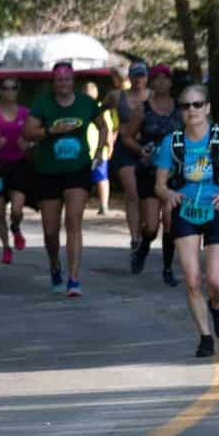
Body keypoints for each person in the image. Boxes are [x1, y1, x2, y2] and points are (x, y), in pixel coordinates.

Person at [155, 85, 219, 357]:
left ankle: (217, 307)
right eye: (186, 106)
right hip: (186, 211)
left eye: (197, 104)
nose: (192, 110)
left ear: (207, 107)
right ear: (180, 111)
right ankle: (205, 336)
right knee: (193, 279)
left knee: (215, 281)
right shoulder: (172, 143)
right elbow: (159, 185)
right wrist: (169, 194)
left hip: (217, 210)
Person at [24, 61, 107, 296]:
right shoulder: (42, 103)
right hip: (47, 170)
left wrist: (99, 152)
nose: (63, 83)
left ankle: (73, 279)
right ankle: (54, 265)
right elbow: (28, 132)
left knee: (73, 221)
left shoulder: (86, 103)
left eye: (67, 79)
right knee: (50, 231)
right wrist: (50, 131)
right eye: (59, 79)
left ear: (73, 81)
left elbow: (102, 126)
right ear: (53, 82)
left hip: (77, 169)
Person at [125, 64, 182, 286]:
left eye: (164, 78)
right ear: (151, 82)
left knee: (170, 221)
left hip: (174, 173)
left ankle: (167, 269)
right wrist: (141, 150)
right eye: (156, 78)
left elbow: (194, 133)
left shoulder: (180, 108)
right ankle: (144, 246)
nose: (160, 82)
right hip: (149, 171)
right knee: (150, 226)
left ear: (170, 82)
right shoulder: (143, 109)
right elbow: (127, 136)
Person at [0, 75, 31, 264]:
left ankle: (16, 228)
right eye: (6, 88)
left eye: (13, 88)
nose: (9, 92)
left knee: (17, 209)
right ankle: (6, 247)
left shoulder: (26, 113)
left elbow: (34, 135)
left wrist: (28, 143)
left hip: (18, 164)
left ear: (18, 91)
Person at [105, 59, 151, 271]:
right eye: (135, 75)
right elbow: (97, 110)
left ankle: (144, 231)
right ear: (129, 77)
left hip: (148, 150)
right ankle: (135, 239)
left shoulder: (153, 97)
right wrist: (108, 130)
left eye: (142, 75)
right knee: (132, 192)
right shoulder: (117, 96)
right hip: (125, 150)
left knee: (146, 195)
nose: (138, 79)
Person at [83, 81, 113, 216]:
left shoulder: (100, 109)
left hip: (99, 151)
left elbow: (108, 129)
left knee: (102, 178)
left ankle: (103, 205)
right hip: (83, 152)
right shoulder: (80, 109)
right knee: (83, 180)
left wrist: (110, 146)